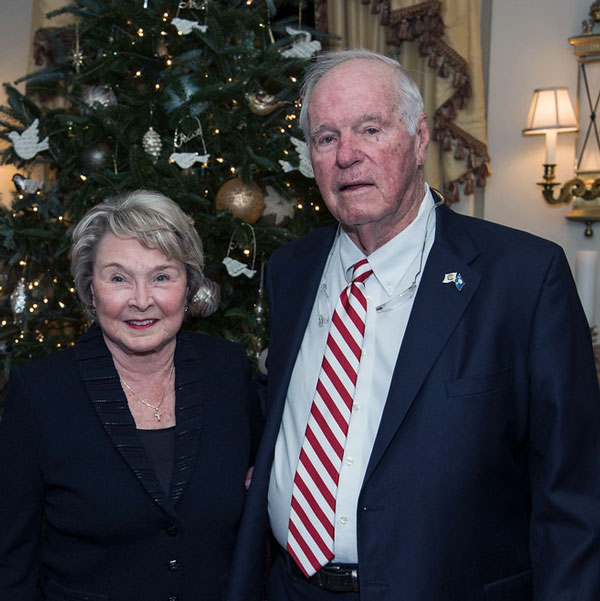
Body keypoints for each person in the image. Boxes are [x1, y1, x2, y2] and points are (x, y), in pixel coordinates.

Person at [227, 49, 600, 601]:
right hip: (290, 587)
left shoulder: (522, 279)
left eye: (369, 129)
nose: (346, 155)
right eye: (325, 138)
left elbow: (574, 495)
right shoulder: (291, 270)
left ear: (420, 137)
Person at [0, 190, 261, 600]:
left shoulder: (226, 370)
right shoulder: (40, 394)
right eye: (118, 278)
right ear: (90, 288)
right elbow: (10, 562)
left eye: (162, 276)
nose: (141, 301)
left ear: (188, 285)